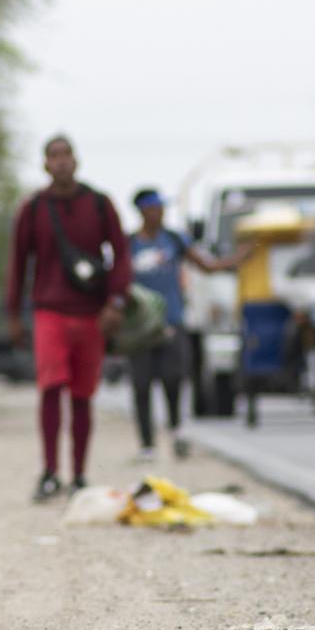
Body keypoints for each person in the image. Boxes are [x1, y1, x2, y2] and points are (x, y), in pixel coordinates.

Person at [6, 136, 132, 501]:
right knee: (50, 388)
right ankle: (49, 472)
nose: (61, 162)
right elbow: (18, 263)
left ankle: (78, 474)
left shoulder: (100, 204)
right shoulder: (33, 209)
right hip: (49, 312)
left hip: (92, 314)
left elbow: (121, 256)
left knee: (82, 394)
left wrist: (116, 302)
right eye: (54, 157)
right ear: (46, 165)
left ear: (77, 161)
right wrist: (13, 313)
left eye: (66, 156)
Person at [126, 188, 242, 461]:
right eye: (155, 208)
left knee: (173, 379)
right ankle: (146, 444)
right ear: (143, 211)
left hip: (172, 321)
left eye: (162, 208)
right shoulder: (128, 244)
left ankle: (176, 431)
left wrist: (238, 259)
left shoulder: (175, 239)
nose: (161, 212)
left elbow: (205, 265)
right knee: (141, 384)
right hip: (140, 328)